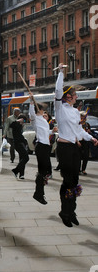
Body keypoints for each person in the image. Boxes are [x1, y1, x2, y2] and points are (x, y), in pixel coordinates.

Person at [54, 63, 98, 227]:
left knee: (75, 180)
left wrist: (91, 138)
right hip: (64, 148)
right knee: (68, 180)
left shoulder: (74, 111)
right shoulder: (59, 108)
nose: (77, 97)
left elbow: (79, 131)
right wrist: (60, 72)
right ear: (67, 97)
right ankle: (65, 212)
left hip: (74, 148)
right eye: (74, 95)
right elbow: (58, 91)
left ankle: (71, 211)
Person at [29, 99, 52, 204]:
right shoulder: (35, 119)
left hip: (46, 146)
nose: (44, 112)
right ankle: (38, 194)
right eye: (43, 109)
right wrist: (31, 103)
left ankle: (39, 193)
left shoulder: (43, 119)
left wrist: (52, 131)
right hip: (41, 146)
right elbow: (31, 114)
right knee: (42, 171)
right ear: (40, 110)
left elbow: (45, 132)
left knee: (46, 171)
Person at [11, 114, 29, 180]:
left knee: (22, 158)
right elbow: (11, 125)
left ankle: (21, 174)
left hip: (21, 144)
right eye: (24, 120)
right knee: (26, 158)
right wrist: (18, 121)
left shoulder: (20, 126)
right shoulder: (16, 124)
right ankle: (15, 170)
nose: (24, 122)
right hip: (18, 144)